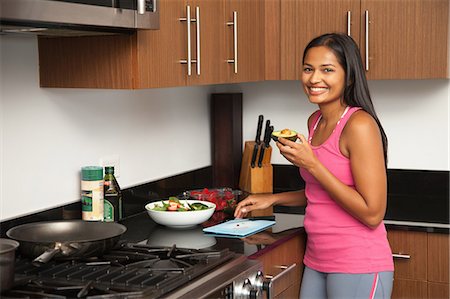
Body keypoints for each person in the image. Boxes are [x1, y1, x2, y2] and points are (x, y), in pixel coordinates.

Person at [234, 32, 394, 299]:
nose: (314, 79)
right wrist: (270, 199)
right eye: (308, 69)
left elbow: (372, 213)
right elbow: (321, 194)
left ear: (349, 76)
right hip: (318, 259)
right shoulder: (315, 121)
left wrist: (313, 165)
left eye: (327, 70)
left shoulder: (360, 125)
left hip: (358, 262)